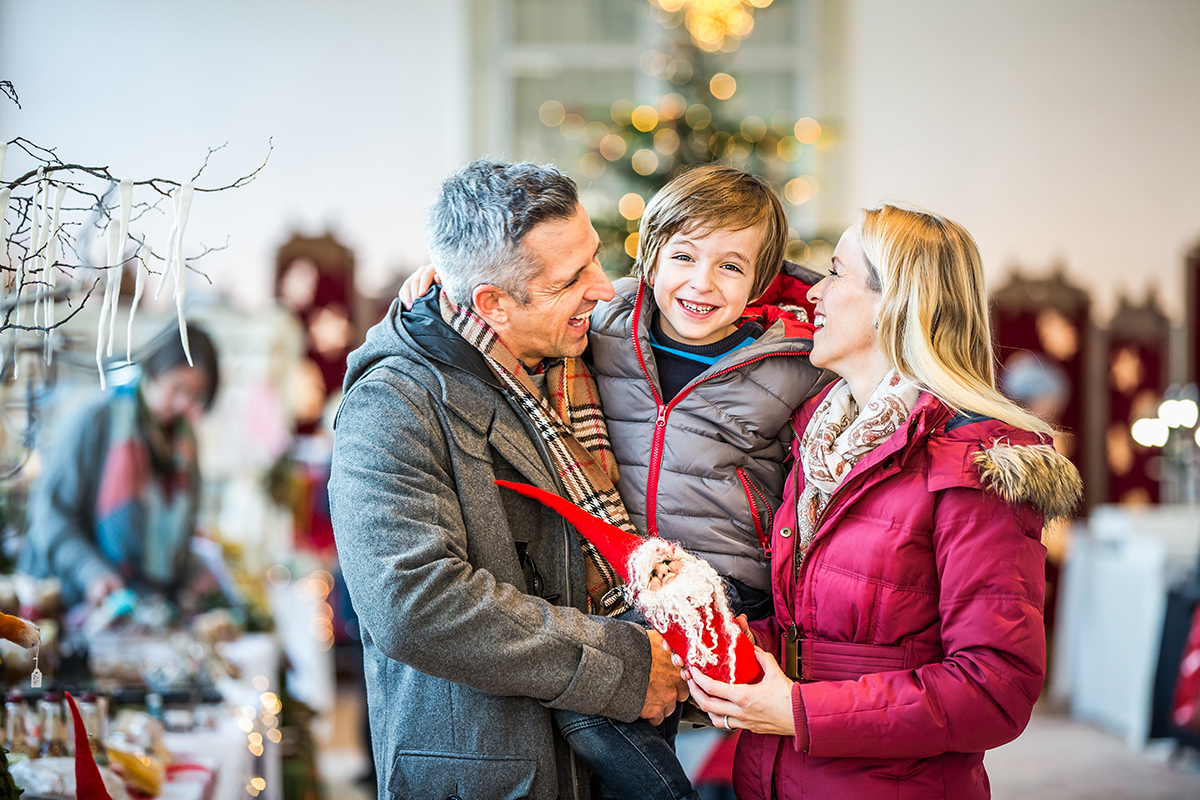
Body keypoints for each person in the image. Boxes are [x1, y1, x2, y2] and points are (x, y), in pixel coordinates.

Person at [398, 164, 828, 799]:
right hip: (629, 574)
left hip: (728, 578)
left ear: (761, 279)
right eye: (684, 256)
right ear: (651, 257)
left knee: (598, 702)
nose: (702, 283)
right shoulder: (606, 322)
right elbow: (501, 308)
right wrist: (433, 292)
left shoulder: (794, 360)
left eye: (732, 267)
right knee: (606, 698)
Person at [681, 203, 1083, 799]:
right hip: (773, 775)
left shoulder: (973, 464)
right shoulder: (819, 440)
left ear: (894, 300)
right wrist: (730, 649)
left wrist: (798, 712)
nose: (814, 293)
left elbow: (995, 689)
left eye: (837, 273)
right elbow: (817, 630)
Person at [328, 159, 687, 799]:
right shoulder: (392, 405)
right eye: (572, 279)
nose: (604, 289)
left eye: (596, 258)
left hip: (607, 757)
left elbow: (737, 282)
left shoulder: (577, 354)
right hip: (492, 775)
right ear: (490, 303)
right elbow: (415, 605)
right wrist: (622, 670)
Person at [21, 323, 220, 609]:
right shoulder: (95, 419)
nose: (182, 403)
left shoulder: (185, 446)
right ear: (155, 368)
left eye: (196, 396)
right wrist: (92, 573)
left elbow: (179, 535)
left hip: (138, 610)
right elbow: (50, 516)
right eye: (177, 387)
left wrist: (194, 572)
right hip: (65, 602)